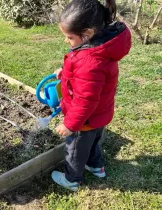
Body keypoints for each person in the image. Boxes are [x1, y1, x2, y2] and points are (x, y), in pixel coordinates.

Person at [52, 0, 132, 191]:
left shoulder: (90, 61)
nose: (66, 41)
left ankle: (71, 179)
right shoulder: (100, 48)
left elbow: (85, 99)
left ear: (87, 34)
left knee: (75, 149)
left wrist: (70, 124)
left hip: (84, 120)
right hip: (99, 115)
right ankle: (96, 167)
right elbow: (89, 83)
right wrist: (65, 74)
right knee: (93, 141)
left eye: (69, 37)